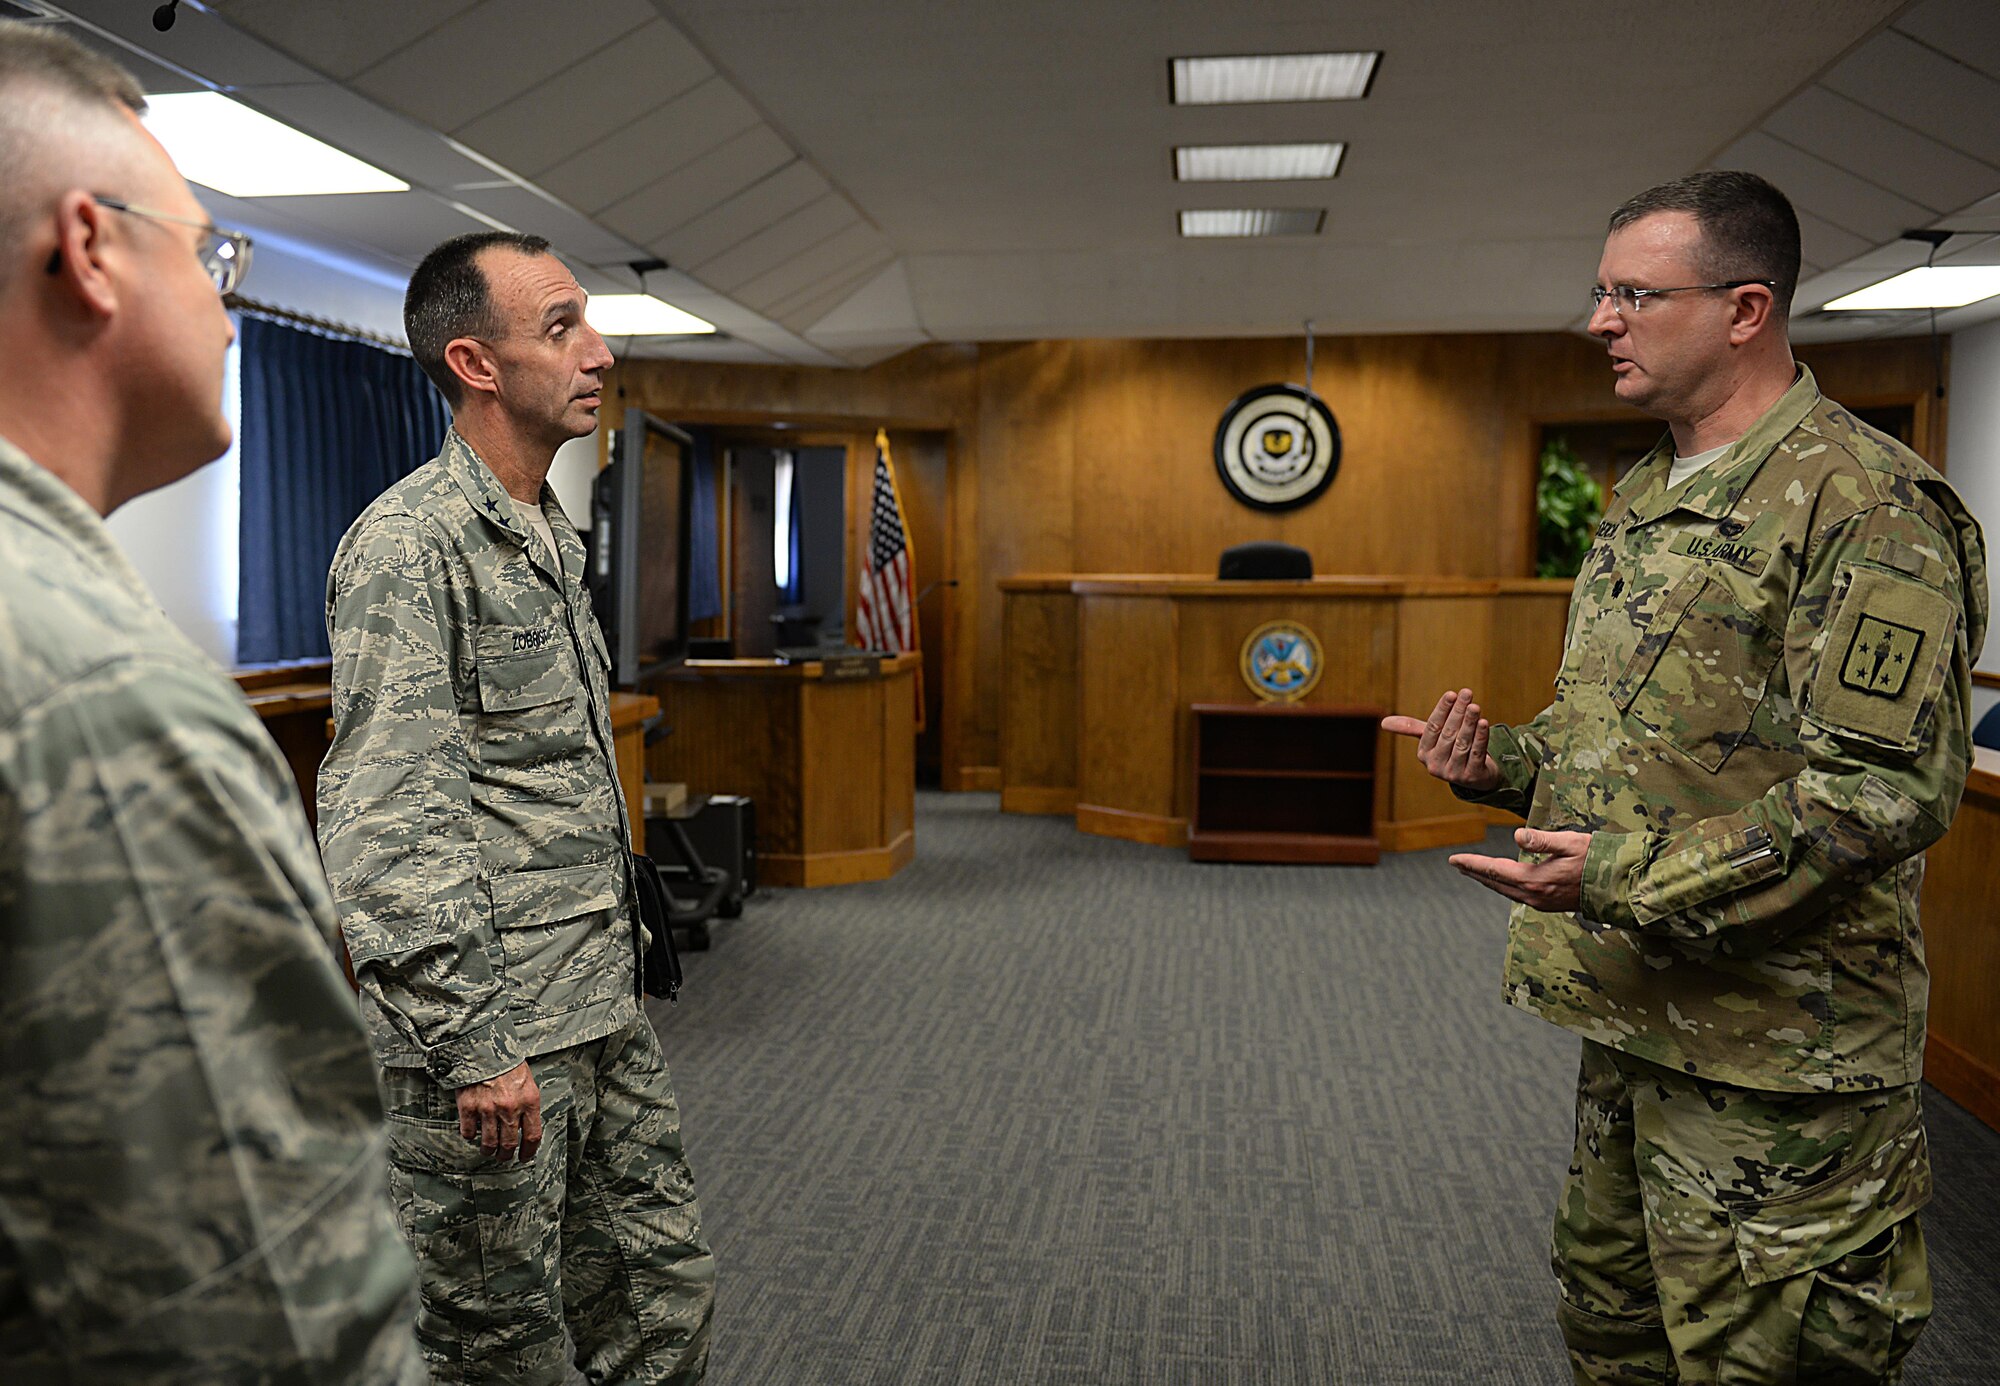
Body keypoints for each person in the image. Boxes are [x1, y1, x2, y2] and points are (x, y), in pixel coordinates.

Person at [1386, 170, 1987, 1381]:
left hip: (1783, 1056)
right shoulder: (1646, 495)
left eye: (1632, 294)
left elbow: (1876, 794)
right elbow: (1615, 739)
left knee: (1764, 1362)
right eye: (1598, 292)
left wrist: (1621, 875)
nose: (1599, 319)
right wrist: (1502, 763)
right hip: (1638, 1018)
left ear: (1743, 308)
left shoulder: (1864, 502)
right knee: (1614, 1336)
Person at [0, 22, 422, 1382]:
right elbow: (259, 1322)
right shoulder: (99, 709)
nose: (228, 300)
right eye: (209, 249)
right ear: (89, 248)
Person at [320, 230, 716, 1384]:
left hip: (594, 1004)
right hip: (491, 1045)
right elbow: (383, 815)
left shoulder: (544, 532)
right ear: (474, 363)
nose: (596, 352)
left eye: (588, 323)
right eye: (560, 327)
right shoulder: (411, 544)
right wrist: (471, 1045)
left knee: (661, 1303)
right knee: (499, 1351)